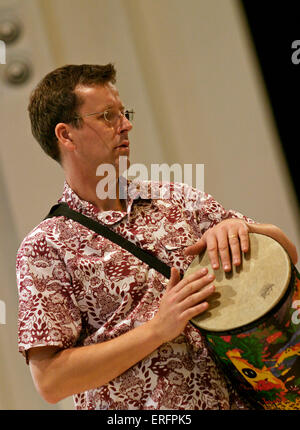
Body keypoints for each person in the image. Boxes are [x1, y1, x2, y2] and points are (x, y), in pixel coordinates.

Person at [16, 64, 298, 410]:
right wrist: (157, 329)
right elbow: (50, 381)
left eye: (124, 113)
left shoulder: (176, 198)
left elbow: (286, 250)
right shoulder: (46, 246)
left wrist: (245, 230)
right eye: (107, 116)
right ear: (66, 135)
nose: (126, 125)